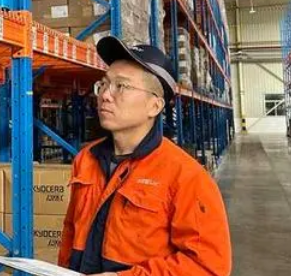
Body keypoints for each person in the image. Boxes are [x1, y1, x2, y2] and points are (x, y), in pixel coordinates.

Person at [58, 36, 232, 276]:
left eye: (122, 86)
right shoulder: (86, 159)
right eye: (104, 84)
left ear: (155, 106)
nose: (105, 95)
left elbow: (208, 267)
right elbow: (71, 233)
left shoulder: (186, 177)